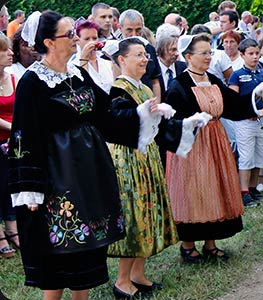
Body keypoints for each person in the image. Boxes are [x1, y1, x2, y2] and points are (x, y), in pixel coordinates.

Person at [8, 10, 166, 300]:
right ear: (49, 42)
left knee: (87, 259)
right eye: (68, 35)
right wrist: (28, 188)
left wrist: (140, 114)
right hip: (57, 176)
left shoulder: (78, 74)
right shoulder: (33, 82)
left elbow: (104, 113)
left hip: (89, 174)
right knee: (57, 259)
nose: (73, 39)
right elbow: (23, 134)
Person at [106, 37, 208, 299]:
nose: (144, 59)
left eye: (145, 55)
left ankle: (138, 274)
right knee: (134, 215)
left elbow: (158, 127)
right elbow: (117, 123)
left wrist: (186, 124)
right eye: (138, 55)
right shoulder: (118, 89)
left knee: (147, 214)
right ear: (121, 60)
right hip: (128, 160)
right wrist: (142, 112)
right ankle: (121, 281)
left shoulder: (143, 88)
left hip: (147, 158)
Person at [164, 33, 262, 263]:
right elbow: (173, 119)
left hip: (216, 141)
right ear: (188, 56)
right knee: (194, 191)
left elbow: (234, 105)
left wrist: (259, 98)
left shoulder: (213, 80)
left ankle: (211, 243)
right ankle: (188, 245)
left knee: (215, 189)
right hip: (192, 146)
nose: (209, 57)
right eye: (203, 53)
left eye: (210, 52)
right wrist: (191, 124)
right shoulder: (179, 84)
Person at [228, 39, 263, 206]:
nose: (254, 57)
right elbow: (233, 100)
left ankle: (253, 188)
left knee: (260, 155)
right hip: (245, 121)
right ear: (242, 55)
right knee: (246, 156)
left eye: (256, 53)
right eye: (250, 54)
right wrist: (250, 111)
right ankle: (243, 190)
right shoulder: (237, 75)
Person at [0, 34, 17, 259]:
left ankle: (12, 227)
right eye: (5, 50)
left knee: (12, 183)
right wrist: (14, 128)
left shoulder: (13, 78)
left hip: (13, 141)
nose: (11, 53)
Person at [73, 20, 117, 92]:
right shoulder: (74, 65)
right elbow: (84, 86)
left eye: (94, 38)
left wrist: (114, 59)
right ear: (78, 41)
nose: (91, 42)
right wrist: (84, 58)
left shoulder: (107, 62)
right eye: (87, 39)